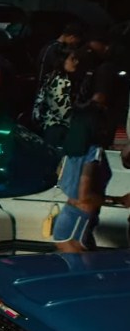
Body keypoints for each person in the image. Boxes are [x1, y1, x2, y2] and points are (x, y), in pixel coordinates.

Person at [53, 104, 114, 253]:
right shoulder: (93, 152)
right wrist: (119, 200)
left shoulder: (71, 149)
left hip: (70, 220)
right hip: (77, 225)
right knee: (83, 267)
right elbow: (84, 196)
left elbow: (60, 176)